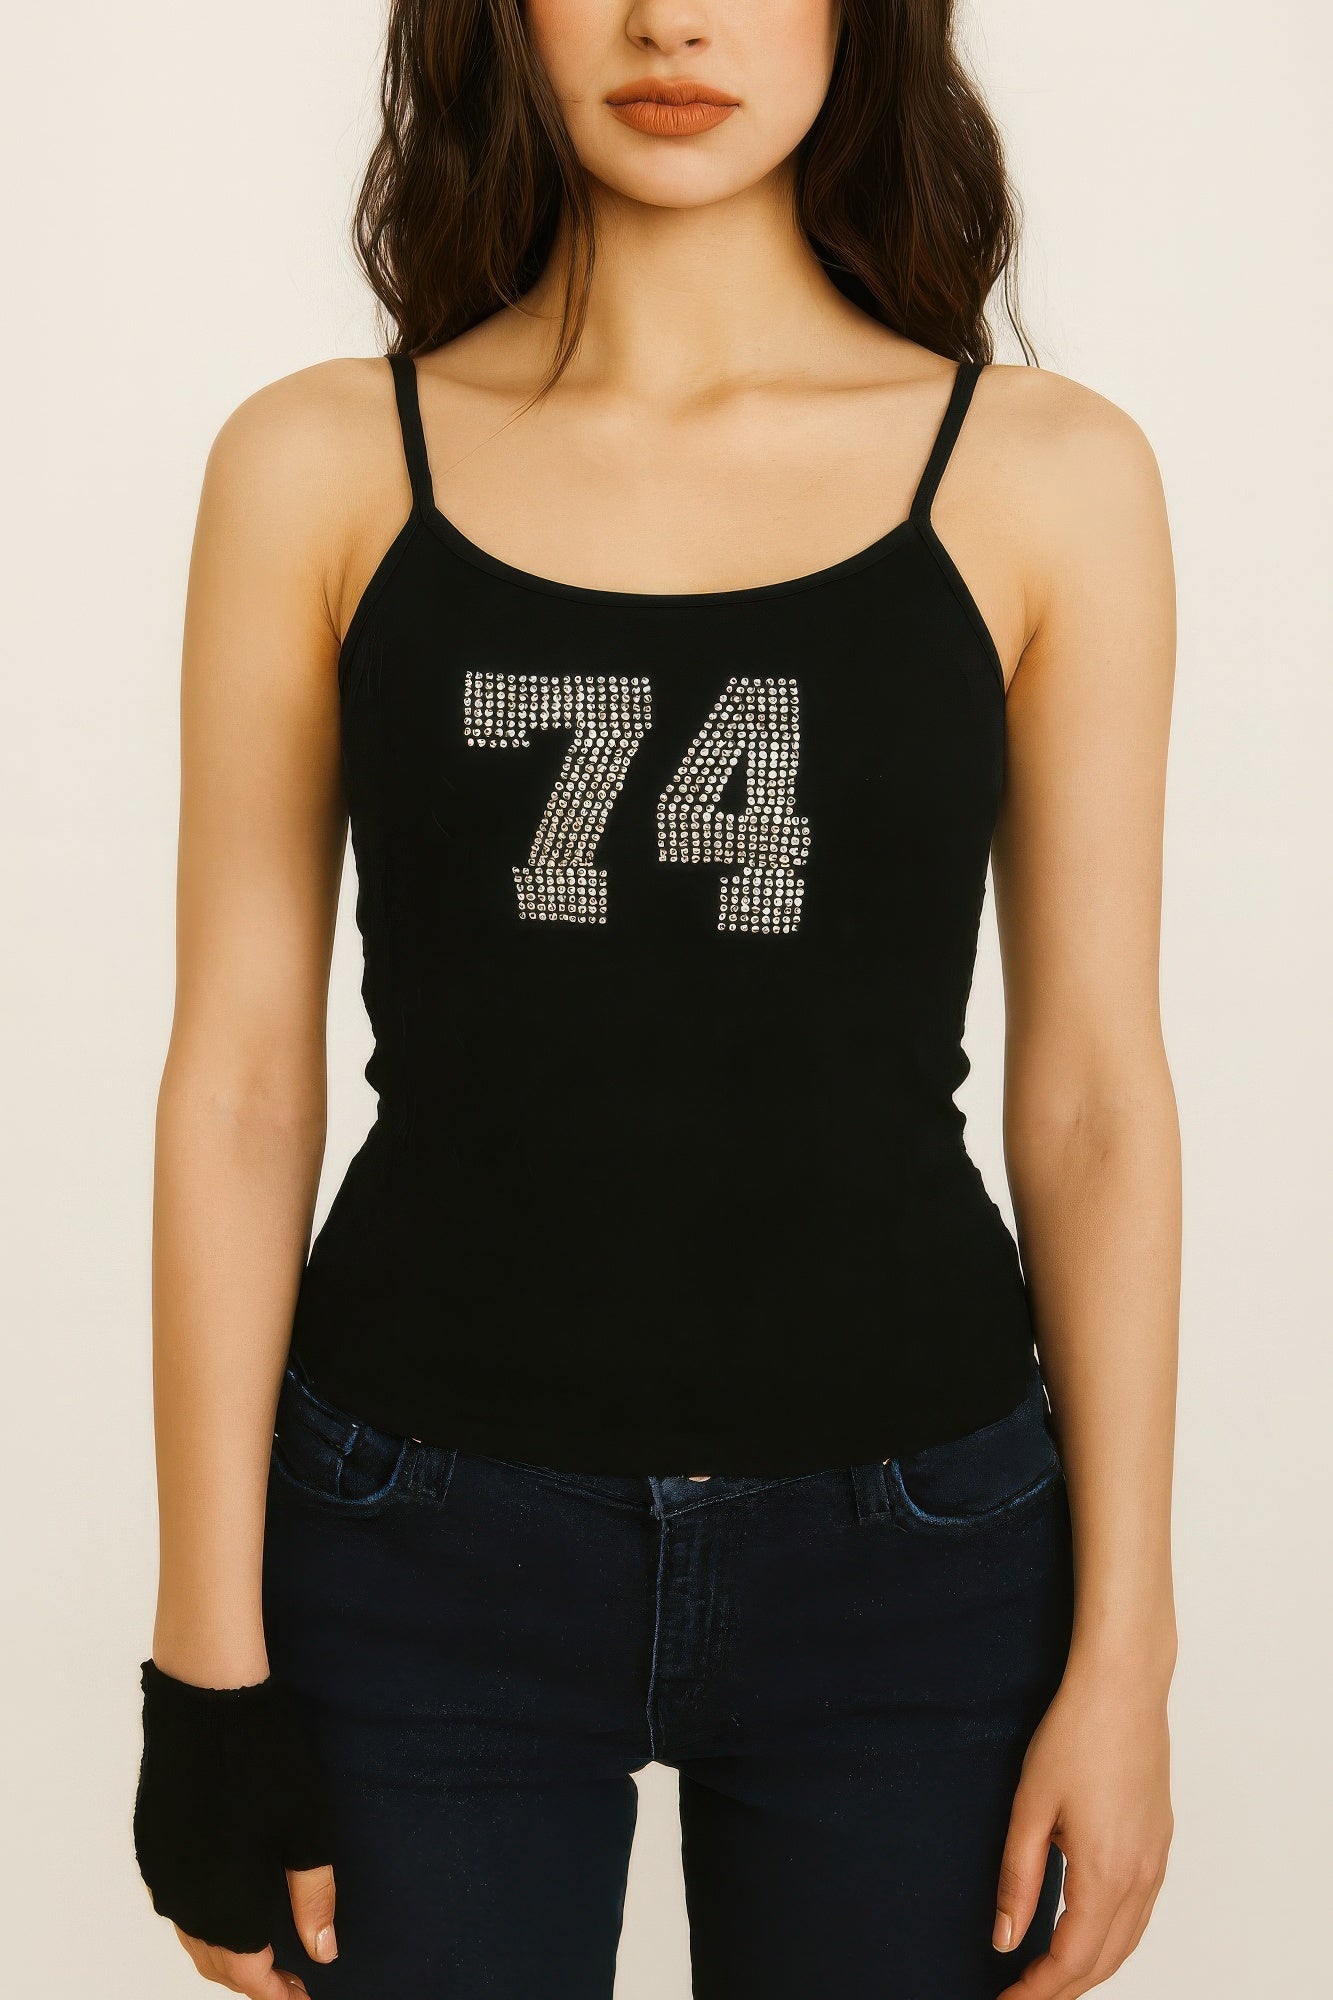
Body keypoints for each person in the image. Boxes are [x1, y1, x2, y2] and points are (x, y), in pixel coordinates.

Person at [131, 4, 1180, 1997]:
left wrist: (1125, 1648)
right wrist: (206, 1665)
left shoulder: (1046, 475)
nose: (668, 20)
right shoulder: (320, 461)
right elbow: (243, 1080)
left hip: (915, 1551)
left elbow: (1095, 1097)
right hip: (416, 1539)